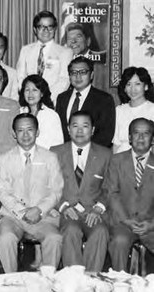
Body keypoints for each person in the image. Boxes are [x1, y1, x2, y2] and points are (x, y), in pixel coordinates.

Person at [0, 113, 63, 273]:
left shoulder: (50, 157)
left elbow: (56, 190)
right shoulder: (3, 159)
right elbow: (3, 191)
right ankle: (11, 281)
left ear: (37, 132)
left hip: (43, 215)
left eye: (30, 130)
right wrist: (23, 211)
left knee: (54, 239)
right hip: (12, 216)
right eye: (20, 130)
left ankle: (48, 282)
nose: (25, 135)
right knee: (6, 239)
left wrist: (38, 210)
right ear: (14, 133)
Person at [50, 111, 111, 272]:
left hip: (93, 210)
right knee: (70, 231)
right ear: (68, 129)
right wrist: (62, 206)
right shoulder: (55, 152)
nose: (79, 130)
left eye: (85, 126)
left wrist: (99, 208)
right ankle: (74, 279)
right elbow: (50, 186)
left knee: (101, 232)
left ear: (92, 130)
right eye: (75, 126)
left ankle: (91, 279)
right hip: (67, 210)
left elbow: (110, 187)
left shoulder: (105, 154)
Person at [105, 118, 154, 271]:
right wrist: (126, 220)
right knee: (119, 241)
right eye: (136, 133)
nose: (140, 138)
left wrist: (152, 224)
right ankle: (119, 282)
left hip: (150, 223)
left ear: (153, 139)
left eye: (146, 133)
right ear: (130, 137)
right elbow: (111, 193)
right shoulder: (116, 160)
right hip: (123, 222)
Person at [55, 56, 115, 148]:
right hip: (65, 155)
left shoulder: (104, 99)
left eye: (83, 72)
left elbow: (106, 134)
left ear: (91, 75)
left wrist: (83, 152)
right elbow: (59, 130)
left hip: (92, 156)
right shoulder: (62, 98)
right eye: (73, 72)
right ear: (69, 76)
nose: (78, 76)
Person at [16, 10, 73, 102]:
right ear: (35, 29)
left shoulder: (65, 52)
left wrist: (45, 98)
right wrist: (28, 96)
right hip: (28, 101)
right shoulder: (25, 50)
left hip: (52, 102)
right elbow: (20, 77)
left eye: (50, 27)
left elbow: (64, 80)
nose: (46, 30)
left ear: (55, 29)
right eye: (41, 27)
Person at [112, 67, 154, 153]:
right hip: (121, 160)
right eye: (128, 84)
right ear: (124, 88)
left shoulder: (152, 109)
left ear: (145, 86)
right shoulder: (119, 110)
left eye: (137, 84)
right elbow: (116, 144)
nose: (132, 89)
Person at [19, 74, 63, 149]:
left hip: (44, 158)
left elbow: (57, 145)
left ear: (42, 93)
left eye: (34, 90)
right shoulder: (19, 112)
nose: (30, 94)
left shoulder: (51, 116)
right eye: (27, 90)